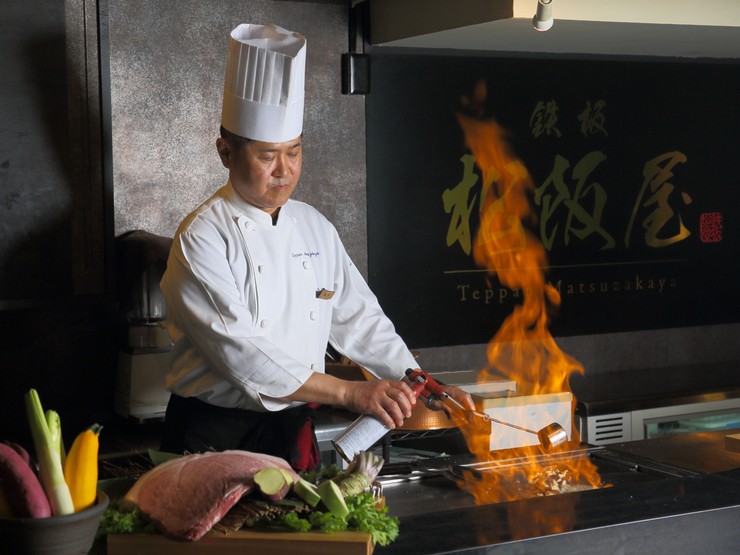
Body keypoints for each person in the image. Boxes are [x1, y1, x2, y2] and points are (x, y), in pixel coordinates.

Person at [159, 23, 473, 471]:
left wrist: (425, 385)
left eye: (294, 152)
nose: (284, 170)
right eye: (267, 156)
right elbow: (243, 354)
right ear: (225, 152)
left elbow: (359, 319)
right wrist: (351, 392)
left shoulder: (314, 227)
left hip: (291, 436)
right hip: (211, 438)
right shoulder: (202, 236)